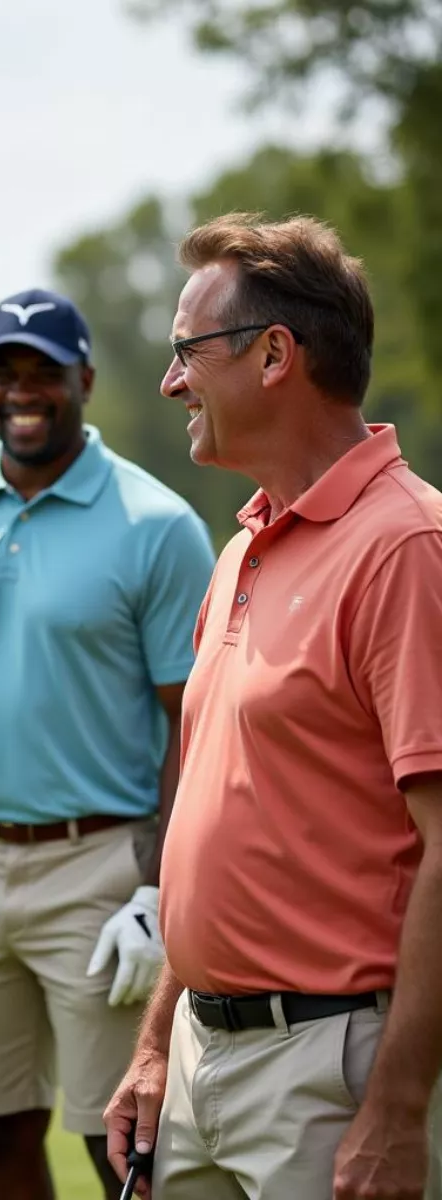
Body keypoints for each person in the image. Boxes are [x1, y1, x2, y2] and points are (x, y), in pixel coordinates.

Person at [103, 212, 442, 1200]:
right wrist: (159, 1042)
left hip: (329, 1077)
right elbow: (218, 830)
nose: (171, 382)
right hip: (203, 1058)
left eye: (186, 352)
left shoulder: (406, 549)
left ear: (275, 356)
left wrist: (397, 1105)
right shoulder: (243, 547)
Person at [0, 288, 217, 1200]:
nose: (23, 391)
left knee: (126, 1145)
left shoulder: (158, 525)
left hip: (101, 870)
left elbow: (195, 723)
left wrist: (159, 890)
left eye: (44, 374)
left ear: (84, 381)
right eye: (6, 373)